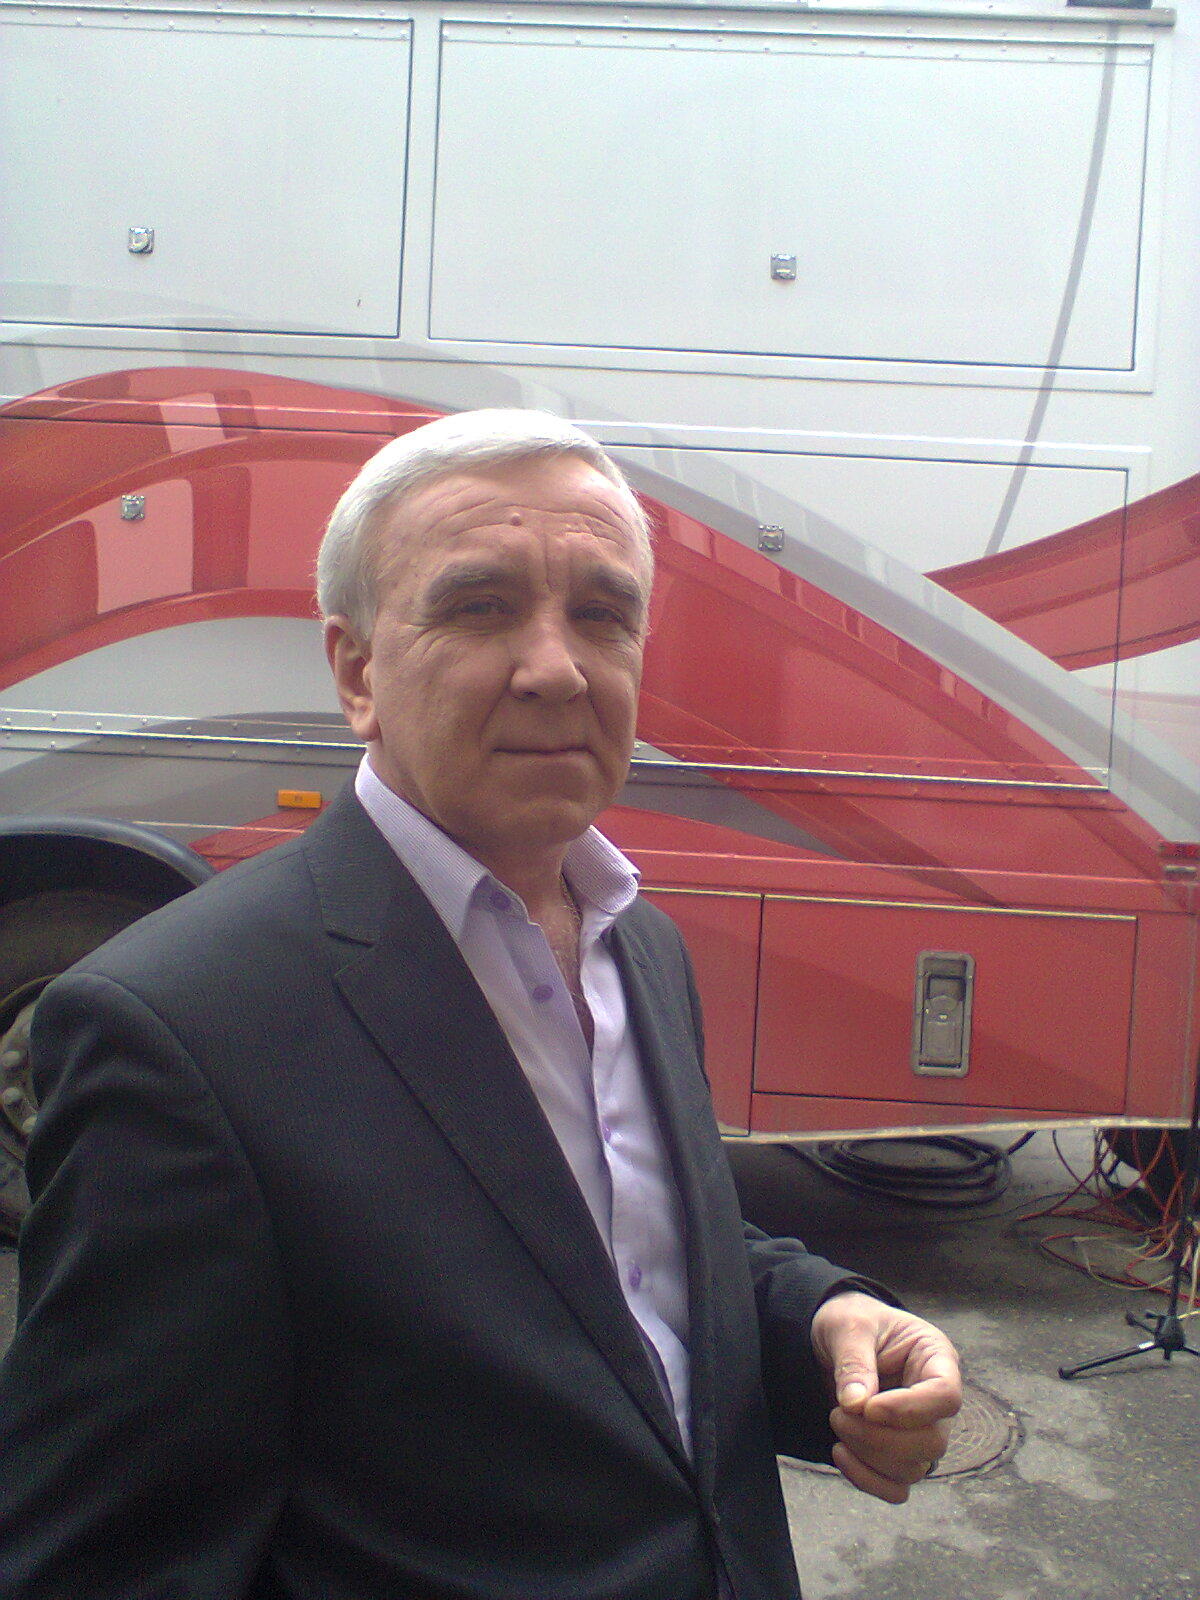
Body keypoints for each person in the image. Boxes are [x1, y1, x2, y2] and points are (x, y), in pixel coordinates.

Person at [0, 410, 961, 1599]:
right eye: (480, 606)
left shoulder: (642, 945)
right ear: (357, 671)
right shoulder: (175, 1033)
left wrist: (825, 1318)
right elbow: (100, 1558)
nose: (558, 667)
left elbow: (631, 1264)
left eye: (603, 614)